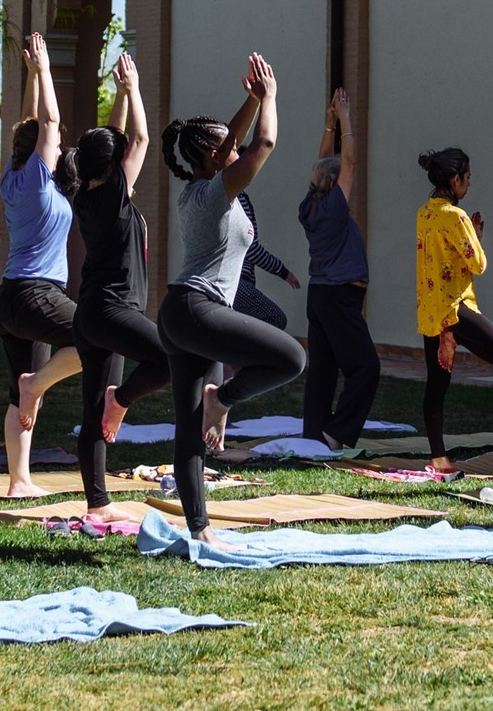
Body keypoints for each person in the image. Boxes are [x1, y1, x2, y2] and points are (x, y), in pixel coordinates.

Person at [159, 54, 306, 540]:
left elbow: (236, 139)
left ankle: (198, 529)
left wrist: (251, 98)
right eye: (225, 145)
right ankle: (221, 400)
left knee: (188, 428)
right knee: (291, 357)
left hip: (182, 312)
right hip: (197, 309)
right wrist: (271, 100)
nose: (234, 145)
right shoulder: (214, 191)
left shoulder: (200, 186)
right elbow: (263, 141)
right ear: (210, 157)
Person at [70, 51, 168, 510]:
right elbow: (141, 137)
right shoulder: (112, 195)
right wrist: (131, 89)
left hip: (90, 313)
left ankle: (98, 503)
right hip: (112, 310)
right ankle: (123, 398)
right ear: (113, 169)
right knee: (172, 360)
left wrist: (119, 98)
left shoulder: (83, 190)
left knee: (92, 409)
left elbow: (109, 141)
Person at [0, 33, 86, 495]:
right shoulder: (34, 176)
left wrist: (32, 75)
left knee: (21, 394)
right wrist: (46, 69)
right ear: (41, 151)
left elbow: (28, 124)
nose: (59, 140)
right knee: (97, 337)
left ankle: (19, 481)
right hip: (36, 293)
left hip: (9, 299)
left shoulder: (10, 177)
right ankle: (37, 384)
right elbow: (48, 119)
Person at [414, 144, 493, 472]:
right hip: (454, 309)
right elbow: (479, 264)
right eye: (467, 178)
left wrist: (469, 237)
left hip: (430, 311)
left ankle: (439, 458)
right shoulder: (455, 216)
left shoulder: (425, 213)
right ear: (455, 179)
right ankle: (453, 335)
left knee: (436, 386)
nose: (469, 184)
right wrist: (475, 236)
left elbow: (446, 256)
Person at [298, 88, 378, 446]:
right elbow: (349, 164)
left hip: (321, 296)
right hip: (337, 297)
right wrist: (344, 116)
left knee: (324, 371)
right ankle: (336, 433)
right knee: (366, 368)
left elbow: (324, 164)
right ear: (332, 186)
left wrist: (327, 125)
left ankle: (315, 432)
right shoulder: (332, 208)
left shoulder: (310, 205)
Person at [229, 193, 301, 330]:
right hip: (236, 282)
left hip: (228, 281)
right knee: (275, 318)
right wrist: (282, 271)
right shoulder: (236, 198)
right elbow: (250, 248)